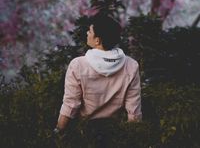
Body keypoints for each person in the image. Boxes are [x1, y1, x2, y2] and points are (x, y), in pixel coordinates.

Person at [54, 14, 142, 143]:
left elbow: (71, 105)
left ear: (97, 40)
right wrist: (134, 140)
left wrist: (58, 132)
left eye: (90, 31)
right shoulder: (131, 65)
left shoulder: (78, 65)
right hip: (115, 134)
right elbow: (133, 109)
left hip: (84, 134)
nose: (87, 33)